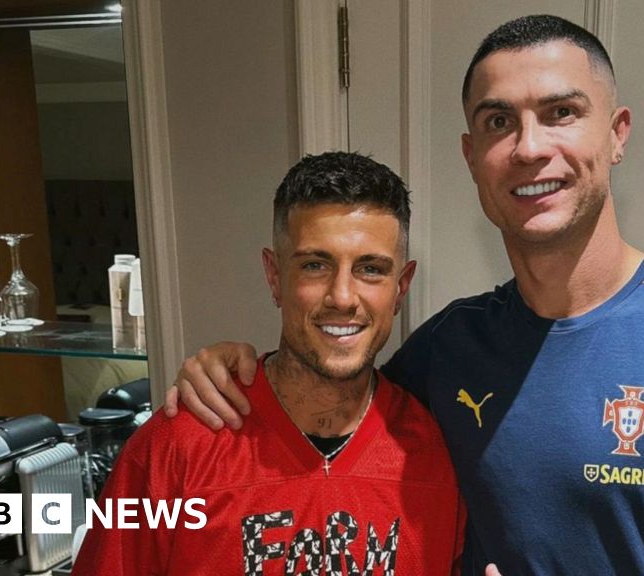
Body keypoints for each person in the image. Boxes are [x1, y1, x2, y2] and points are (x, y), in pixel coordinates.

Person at [166, 15, 644, 576]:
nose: (530, 147)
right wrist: (232, 366)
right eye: (499, 121)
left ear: (618, 133)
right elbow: (335, 391)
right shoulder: (449, 346)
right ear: (471, 153)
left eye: (561, 113)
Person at [74, 152, 465, 575]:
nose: (343, 297)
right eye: (315, 266)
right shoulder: (175, 449)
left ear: (401, 287)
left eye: (371, 269)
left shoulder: (433, 453)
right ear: (275, 276)